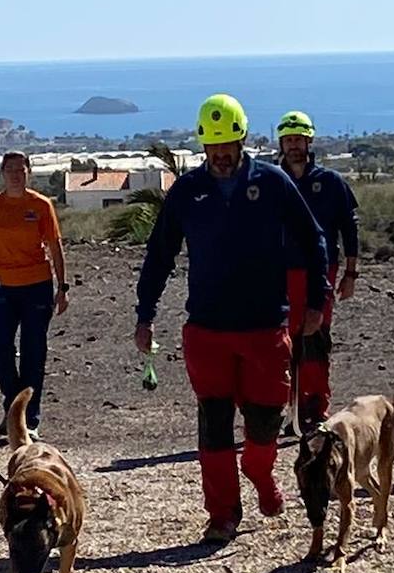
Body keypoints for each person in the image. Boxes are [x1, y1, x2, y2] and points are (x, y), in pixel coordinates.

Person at [135, 94, 329, 544]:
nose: (221, 155)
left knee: (265, 423)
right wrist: (145, 315)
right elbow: (159, 255)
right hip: (206, 329)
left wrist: (317, 300)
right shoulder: (186, 192)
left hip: (264, 326)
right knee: (214, 422)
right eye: (212, 147)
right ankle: (222, 514)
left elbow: (312, 238)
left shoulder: (274, 182)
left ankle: (259, 471)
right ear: (203, 147)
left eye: (228, 145)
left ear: (242, 139)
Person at [276, 110, 360, 430]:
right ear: (281, 144)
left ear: (309, 141)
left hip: (319, 272)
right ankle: (289, 408)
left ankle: (316, 404)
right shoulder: (271, 180)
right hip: (278, 273)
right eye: (288, 140)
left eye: (298, 139)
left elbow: (349, 230)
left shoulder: (330, 182)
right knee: (282, 342)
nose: (294, 145)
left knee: (315, 337)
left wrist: (350, 274)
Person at [0, 152, 69, 438]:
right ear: (2, 173)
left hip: (37, 286)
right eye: (10, 170)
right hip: (1, 287)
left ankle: (29, 420)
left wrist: (63, 287)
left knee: (34, 353)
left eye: (21, 169)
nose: (16, 174)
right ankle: (14, 405)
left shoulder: (41, 205)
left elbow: (55, 246)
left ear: (29, 172)